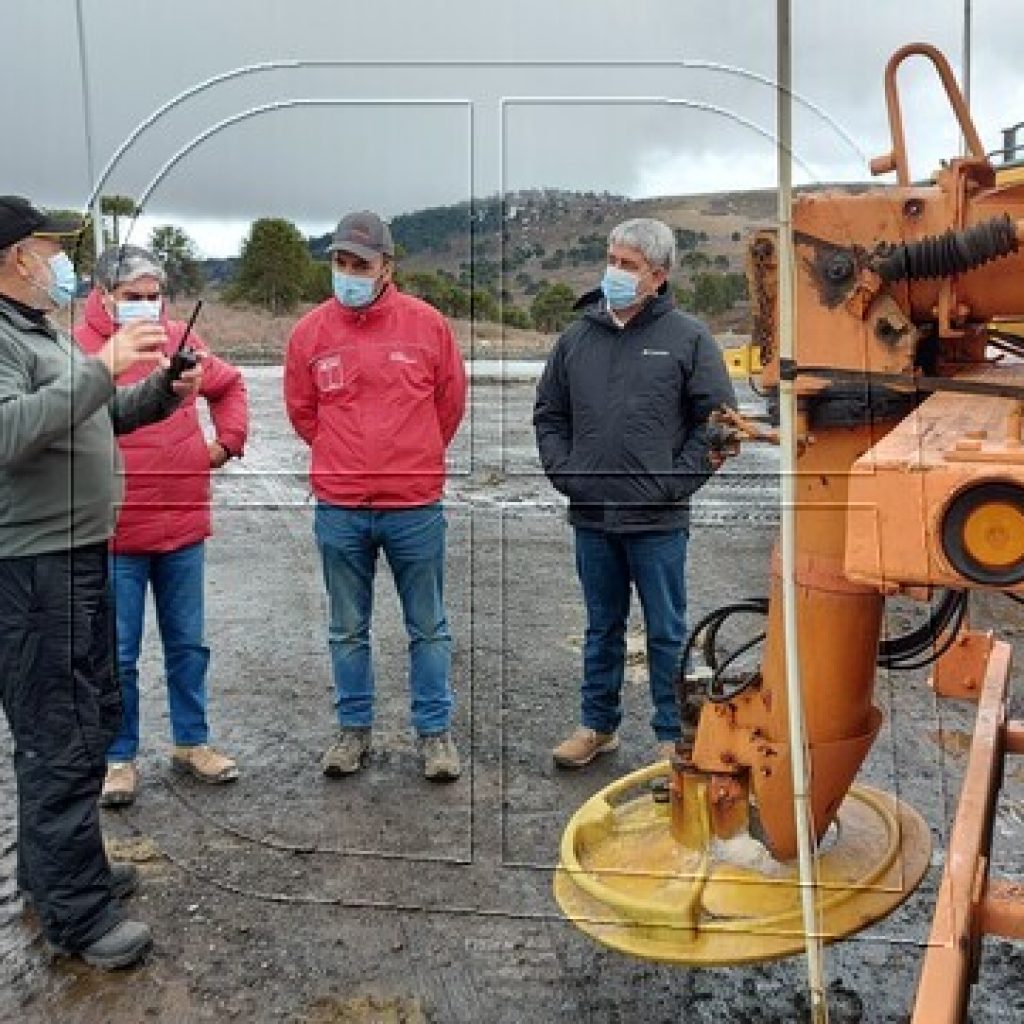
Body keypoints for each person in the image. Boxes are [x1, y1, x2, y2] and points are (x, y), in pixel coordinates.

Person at [0, 195, 203, 968]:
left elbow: (85, 417)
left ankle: (58, 874)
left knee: (83, 721)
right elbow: (12, 433)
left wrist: (156, 393)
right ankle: (78, 919)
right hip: (32, 566)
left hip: (79, 551)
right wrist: (98, 365)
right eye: (51, 245)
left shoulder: (32, 328)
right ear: (18, 255)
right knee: (59, 737)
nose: (61, 259)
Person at [533, 217, 736, 768]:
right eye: (612, 260)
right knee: (602, 628)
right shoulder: (576, 338)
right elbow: (549, 414)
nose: (615, 272)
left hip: (658, 522)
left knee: (668, 631)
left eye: (629, 265)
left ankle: (673, 737)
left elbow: (718, 425)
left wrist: (672, 484)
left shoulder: (688, 339)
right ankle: (597, 726)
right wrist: (567, 473)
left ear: (659, 276)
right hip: (593, 516)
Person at [284, 210, 467, 781]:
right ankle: (353, 732)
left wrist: (408, 457)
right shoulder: (309, 334)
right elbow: (303, 412)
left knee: (429, 626)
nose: (348, 273)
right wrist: (346, 460)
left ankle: (434, 736)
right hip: (340, 508)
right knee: (346, 627)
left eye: (360, 263)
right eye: (339, 262)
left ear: (387, 266)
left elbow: (448, 405)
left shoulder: (428, 326)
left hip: (414, 507)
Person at [75, 245, 249, 807]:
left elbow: (230, 385)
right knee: (117, 652)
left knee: (188, 643)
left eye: (154, 297)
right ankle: (118, 757)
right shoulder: (80, 352)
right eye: (133, 298)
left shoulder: (182, 341)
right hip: (114, 532)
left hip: (183, 524)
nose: (146, 308)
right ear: (104, 296)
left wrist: (224, 445)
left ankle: (191, 743)